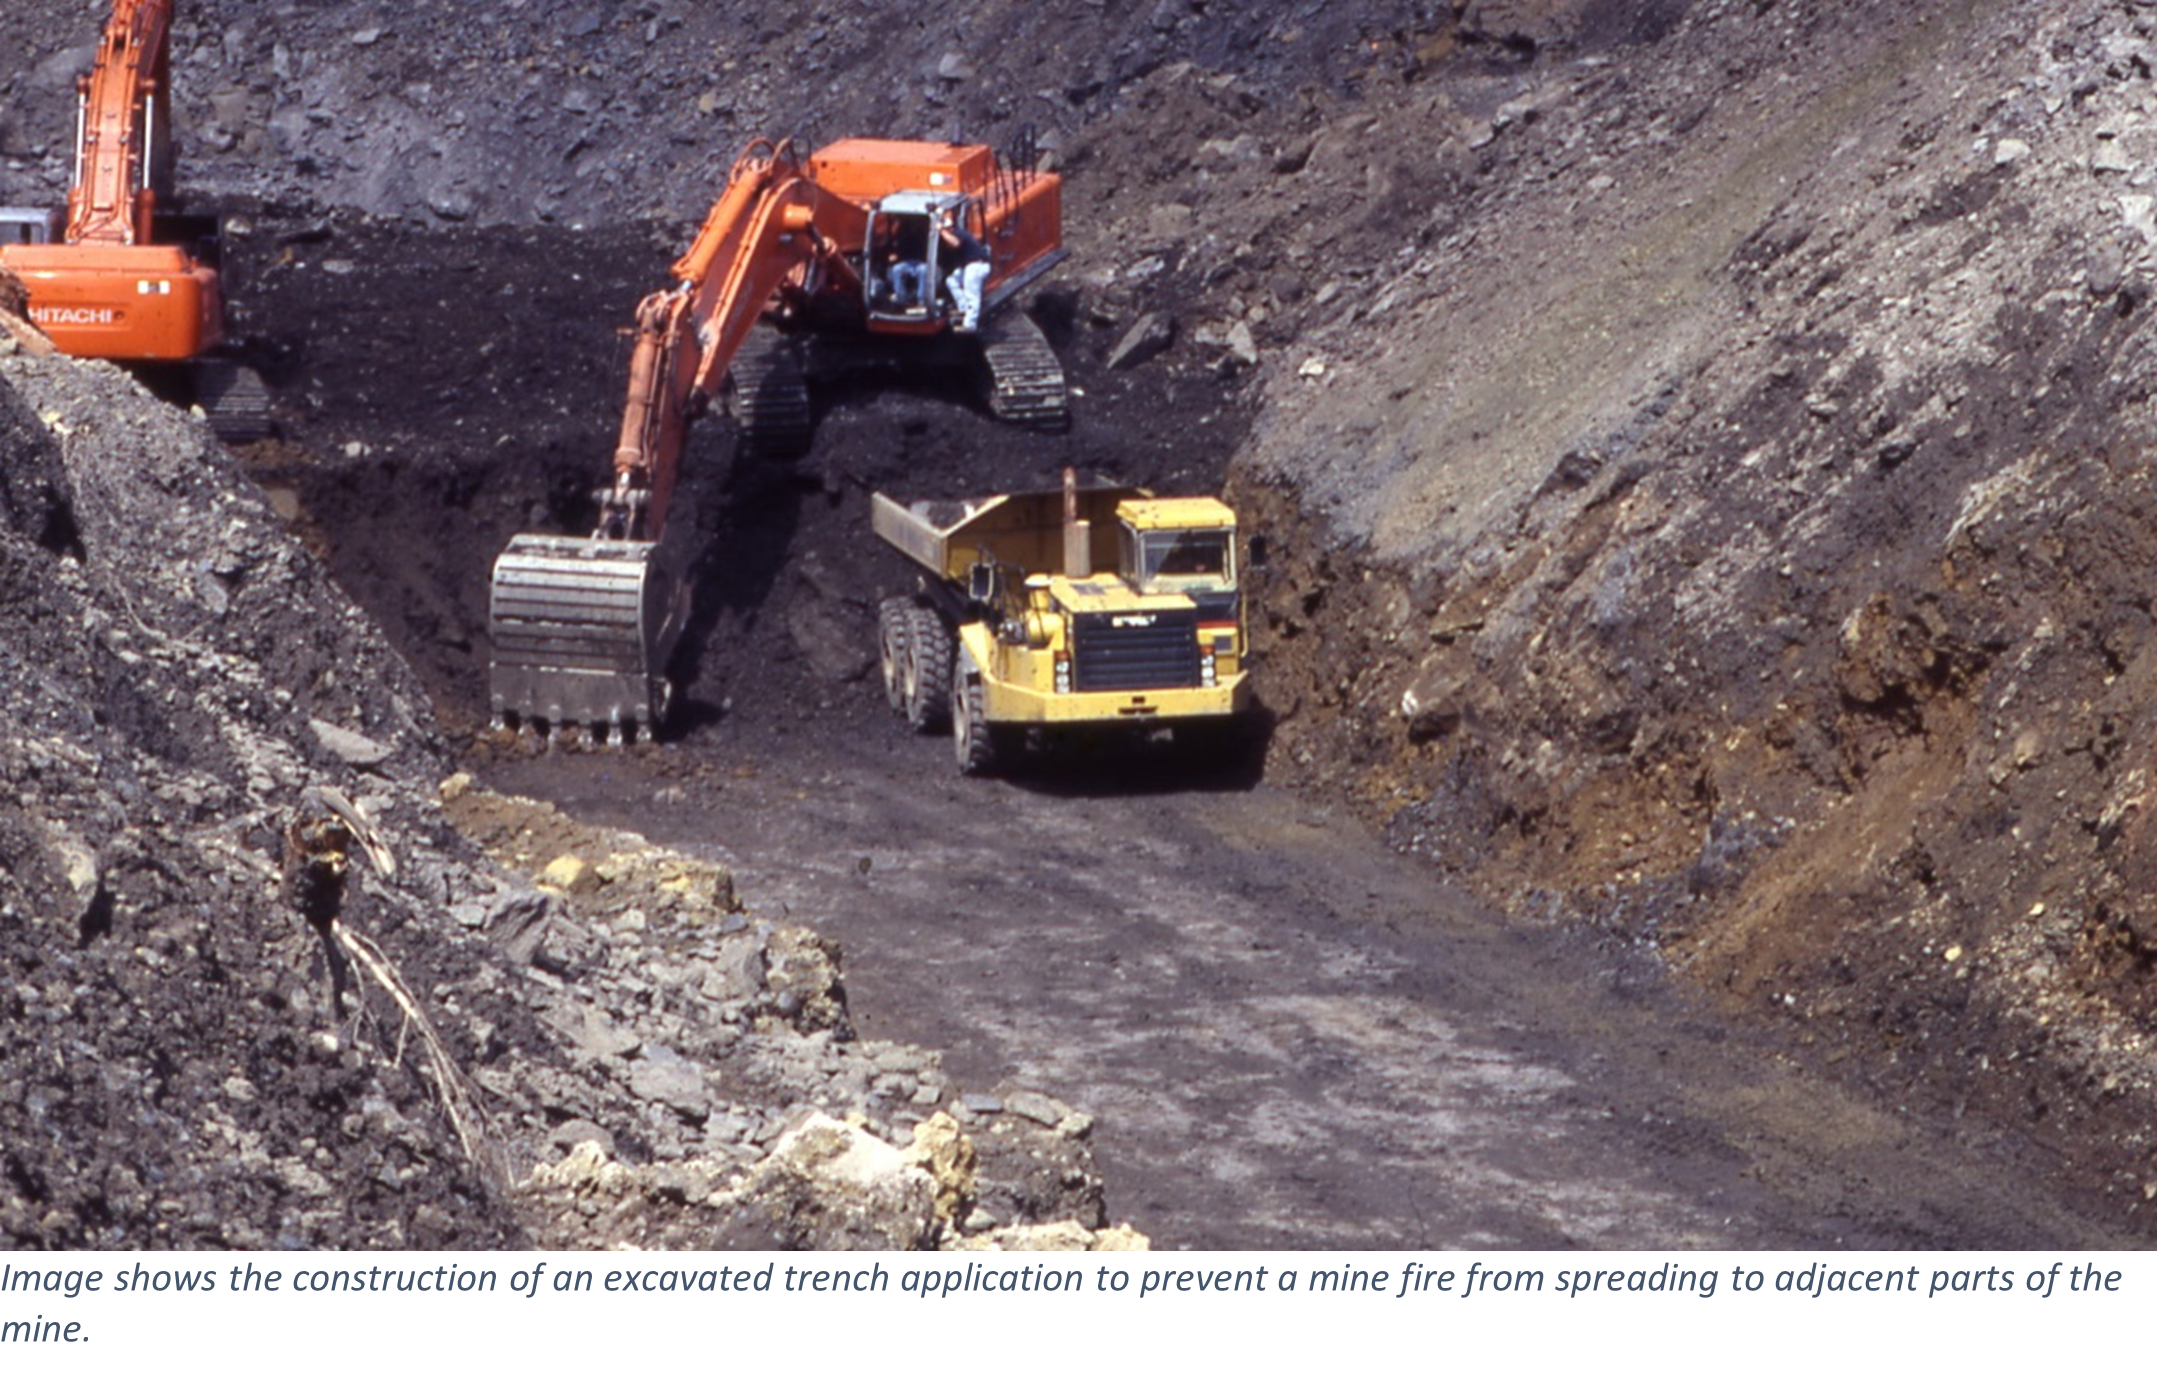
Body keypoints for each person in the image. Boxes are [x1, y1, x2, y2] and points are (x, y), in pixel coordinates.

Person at [940, 211, 990, 332]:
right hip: (967, 266)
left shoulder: (959, 234)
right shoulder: (955, 234)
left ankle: (970, 324)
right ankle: (963, 309)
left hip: (976, 265)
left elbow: (955, 243)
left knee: (971, 293)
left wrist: (940, 231)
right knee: (951, 281)